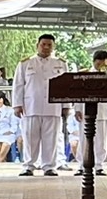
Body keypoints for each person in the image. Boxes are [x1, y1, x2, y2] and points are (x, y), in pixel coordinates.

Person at [13, 33, 68, 177]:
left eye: (49, 45)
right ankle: (29, 166)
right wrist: (17, 105)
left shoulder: (60, 64)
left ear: (53, 47)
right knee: (30, 138)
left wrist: (66, 106)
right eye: (43, 44)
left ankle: (49, 166)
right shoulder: (26, 63)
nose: (46, 47)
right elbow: (19, 85)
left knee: (51, 138)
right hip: (31, 106)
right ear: (37, 45)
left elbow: (65, 87)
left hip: (53, 106)